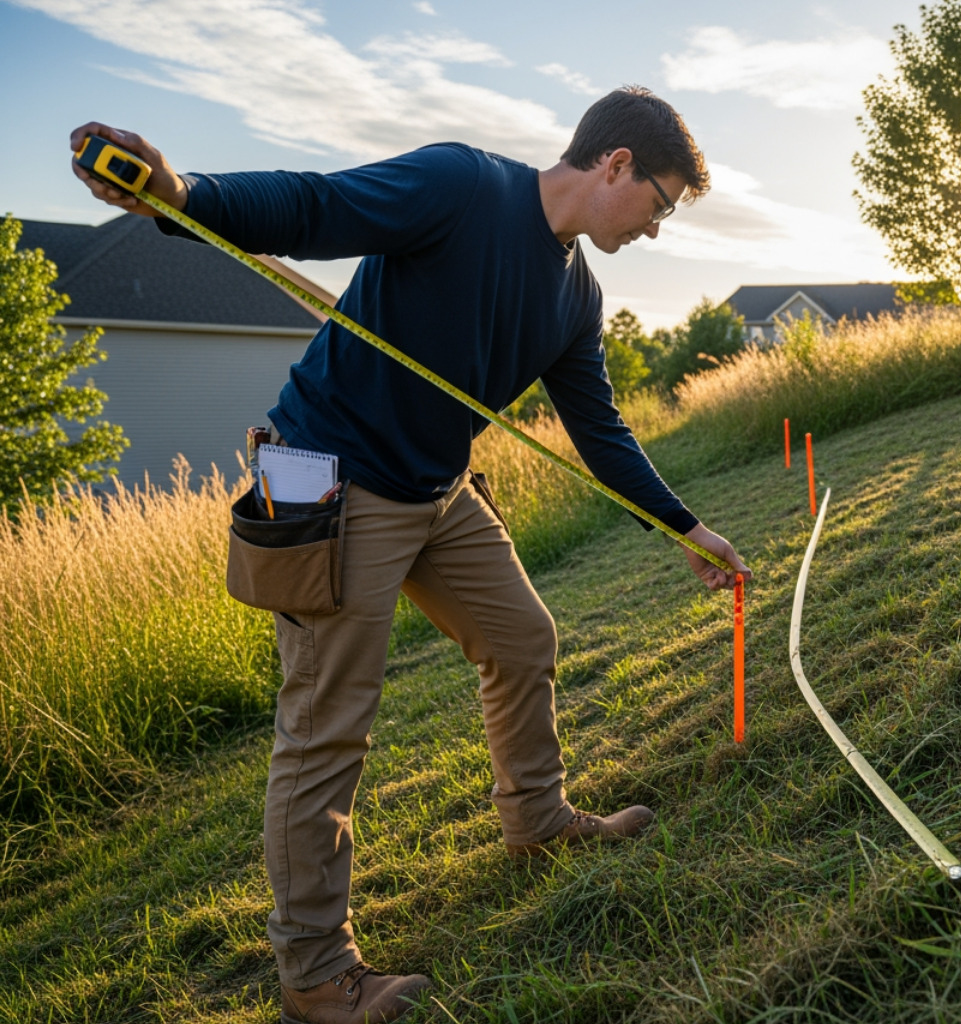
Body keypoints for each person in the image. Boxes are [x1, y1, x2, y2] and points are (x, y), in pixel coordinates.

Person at [70, 86, 752, 1024]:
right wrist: (186, 194)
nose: (658, 227)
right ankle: (314, 973)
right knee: (327, 724)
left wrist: (686, 527)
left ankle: (538, 823)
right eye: (662, 204)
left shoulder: (576, 294)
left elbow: (598, 428)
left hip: (437, 489)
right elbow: (315, 205)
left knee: (520, 639)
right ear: (617, 165)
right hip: (333, 478)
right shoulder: (461, 185)